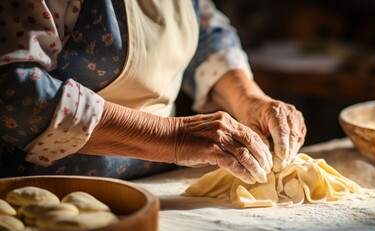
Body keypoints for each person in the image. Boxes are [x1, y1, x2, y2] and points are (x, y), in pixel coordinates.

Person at [0, 0, 306, 184]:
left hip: (158, 186)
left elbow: (206, 34)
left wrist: (248, 98)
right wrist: (171, 137)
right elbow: (14, 93)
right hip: (49, 194)